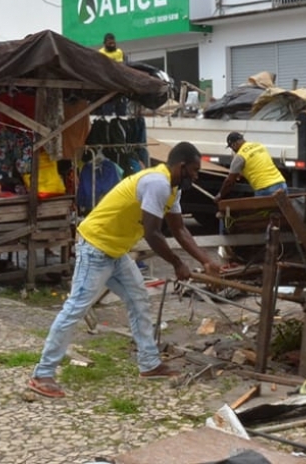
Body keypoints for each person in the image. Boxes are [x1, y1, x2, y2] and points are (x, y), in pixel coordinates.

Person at [27, 142, 223, 398]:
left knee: (138, 299)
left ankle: (149, 363)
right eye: (195, 171)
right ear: (181, 166)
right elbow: (153, 233)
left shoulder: (172, 190)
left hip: (116, 251)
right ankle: (42, 373)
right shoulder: (157, 183)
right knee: (76, 308)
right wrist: (178, 264)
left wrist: (205, 261)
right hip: (96, 247)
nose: (196, 176)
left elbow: (180, 229)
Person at [215, 131, 287, 202]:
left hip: (265, 188)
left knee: (261, 213)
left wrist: (220, 195)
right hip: (281, 184)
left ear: (234, 144)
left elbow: (230, 182)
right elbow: (258, 165)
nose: (233, 150)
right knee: (282, 212)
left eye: (231, 147)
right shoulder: (259, 146)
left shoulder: (240, 156)